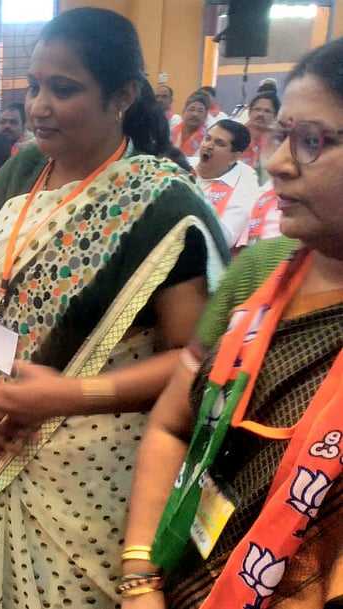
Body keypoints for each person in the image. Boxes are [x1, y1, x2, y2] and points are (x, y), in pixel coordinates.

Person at [0, 9, 227, 608]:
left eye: (63, 89)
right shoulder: (23, 168)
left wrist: (64, 396)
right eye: (34, 86)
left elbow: (195, 362)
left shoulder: (160, 202)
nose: (39, 105)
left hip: (97, 474)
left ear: (123, 95)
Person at [122, 38, 343, 609]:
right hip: (181, 581)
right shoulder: (261, 271)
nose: (276, 162)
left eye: (312, 141)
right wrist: (140, 578)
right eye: (282, 136)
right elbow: (173, 423)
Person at [196, 119, 261, 247]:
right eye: (207, 138)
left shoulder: (245, 189)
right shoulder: (186, 165)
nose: (208, 145)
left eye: (219, 143)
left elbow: (223, 239)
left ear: (234, 157)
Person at [238, 90, 281, 184]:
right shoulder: (235, 136)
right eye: (257, 109)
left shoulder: (279, 143)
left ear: (275, 116)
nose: (261, 114)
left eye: (267, 111)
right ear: (249, 113)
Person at [171, 91, 210, 159]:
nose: (195, 114)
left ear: (206, 116)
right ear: (183, 112)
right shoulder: (171, 132)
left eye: (200, 111)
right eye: (192, 109)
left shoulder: (208, 139)